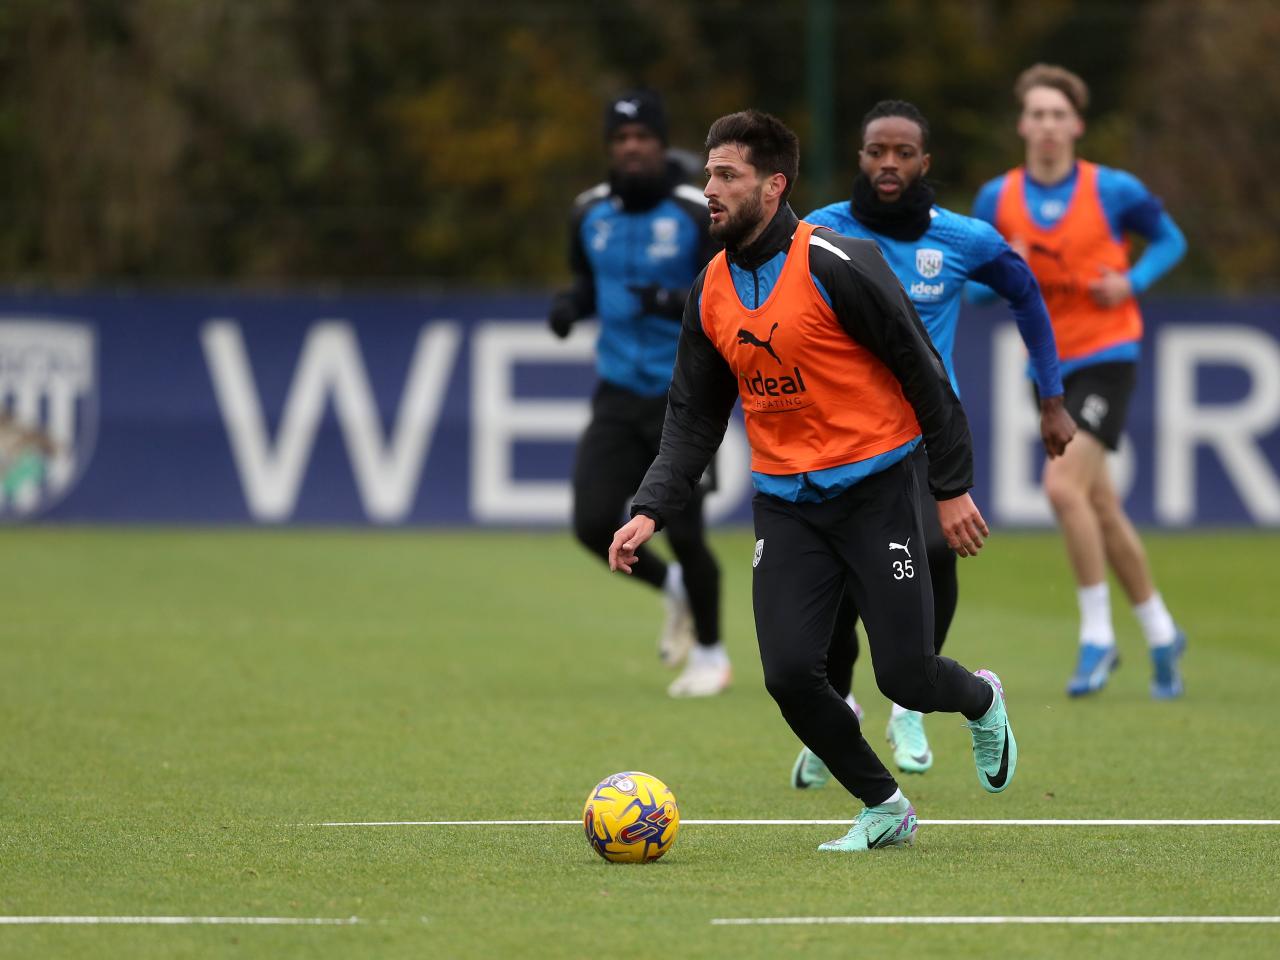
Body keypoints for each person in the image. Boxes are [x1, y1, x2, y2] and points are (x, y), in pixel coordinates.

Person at [609, 110, 1017, 853]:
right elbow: (693, 419)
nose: (709, 189)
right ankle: (884, 807)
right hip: (788, 507)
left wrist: (950, 486)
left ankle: (983, 699)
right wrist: (650, 509)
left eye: (726, 175)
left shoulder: (836, 261)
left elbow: (925, 374)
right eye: (707, 174)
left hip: (878, 493)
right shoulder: (710, 290)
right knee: (792, 675)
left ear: (774, 185)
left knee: (907, 678)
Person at [789, 99, 1074, 786]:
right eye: (875, 151)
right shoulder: (818, 231)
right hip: (835, 439)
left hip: (918, 436)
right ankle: (841, 704)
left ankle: (908, 702)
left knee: (939, 550)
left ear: (925, 162)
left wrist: (1052, 395)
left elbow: (1025, 293)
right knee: (837, 588)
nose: (888, 163)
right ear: (860, 157)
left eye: (902, 153)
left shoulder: (960, 239)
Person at [973, 64, 1189, 699]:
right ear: (1022, 124)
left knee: (1063, 487)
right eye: (1035, 114)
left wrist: (1133, 282)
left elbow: (1170, 240)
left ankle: (1097, 635)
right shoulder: (998, 199)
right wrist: (989, 280)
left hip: (1107, 355)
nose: (1045, 125)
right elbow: (980, 285)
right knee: (1099, 504)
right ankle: (1161, 630)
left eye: (1056, 115)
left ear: (1076, 125)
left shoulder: (1113, 189)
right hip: (1045, 370)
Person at [548, 90, 729, 698]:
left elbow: (723, 295)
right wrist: (573, 305)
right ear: (610, 147)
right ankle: (672, 588)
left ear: (660, 144)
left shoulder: (692, 210)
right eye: (621, 139)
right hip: (618, 392)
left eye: (643, 138)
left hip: (685, 398)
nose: (632, 148)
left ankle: (711, 653)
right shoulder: (588, 213)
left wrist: (670, 303)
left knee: (688, 531)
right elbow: (589, 281)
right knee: (591, 521)